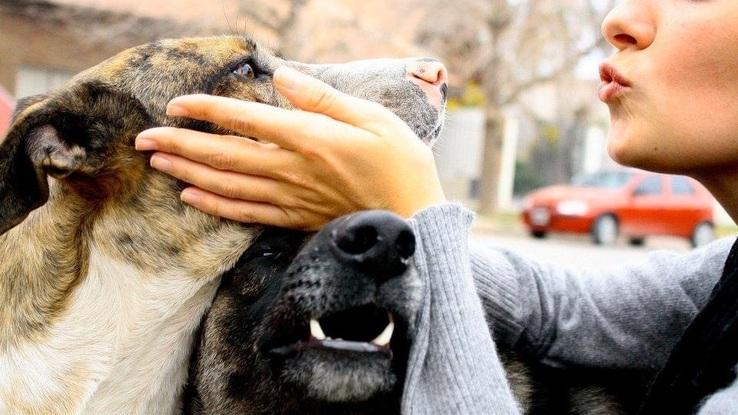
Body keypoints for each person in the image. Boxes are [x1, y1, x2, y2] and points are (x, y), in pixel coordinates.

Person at [134, 1, 738, 413]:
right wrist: (376, 208)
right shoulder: (723, 272)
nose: (618, 19)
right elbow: (556, 311)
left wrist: (417, 205)